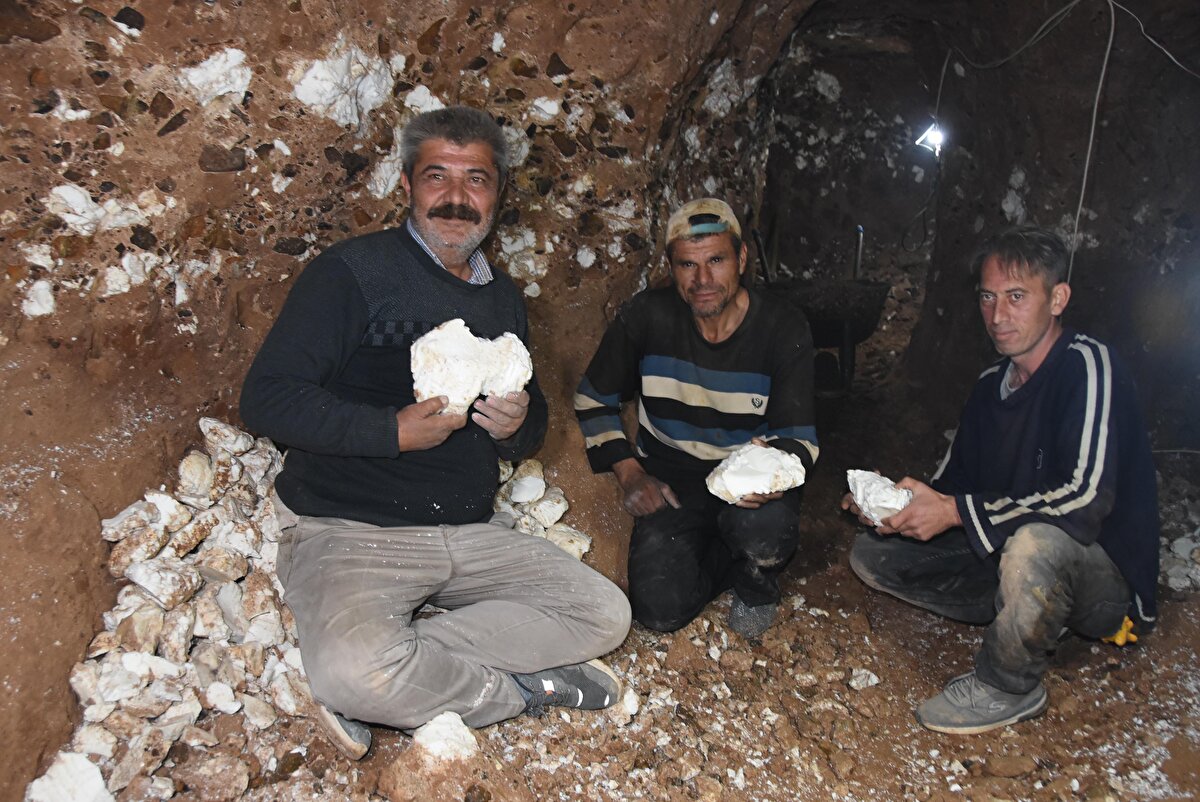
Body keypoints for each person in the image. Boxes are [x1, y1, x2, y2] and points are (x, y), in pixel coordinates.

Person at [240, 106, 631, 760]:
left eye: (475, 179)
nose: (456, 197)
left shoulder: (501, 298)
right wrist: (389, 430)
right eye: (437, 176)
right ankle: (518, 690)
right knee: (357, 672)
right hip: (354, 531)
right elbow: (267, 397)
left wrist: (517, 426)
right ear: (407, 185)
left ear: (498, 193)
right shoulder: (352, 274)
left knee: (605, 614)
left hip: (468, 534)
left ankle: (406, 669)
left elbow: (531, 420)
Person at [843, 225, 1159, 735]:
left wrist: (954, 512)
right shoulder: (991, 385)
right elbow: (952, 490)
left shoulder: (1087, 365)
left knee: (1034, 545)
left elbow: (1084, 499)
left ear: (1057, 299)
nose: (997, 315)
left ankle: (1009, 684)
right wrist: (893, 505)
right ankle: (1025, 610)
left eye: (1016, 297)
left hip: (1101, 577)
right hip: (1011, 555)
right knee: (873, 555)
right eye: (987, 297)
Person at [574, 198, 818, 639]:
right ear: (671, 267)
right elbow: (593, 399)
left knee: (765, 530)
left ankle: (756, 583)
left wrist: (769, 478)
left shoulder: (782, 328)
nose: (702, 280)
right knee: (659, 610)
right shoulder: (647, 316)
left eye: (716, 261)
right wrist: (630, 473)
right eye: (688, 264)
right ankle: (719, 551)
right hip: (673, 477)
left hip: (748, 477)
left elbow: (798, 438)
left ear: (741, 258)